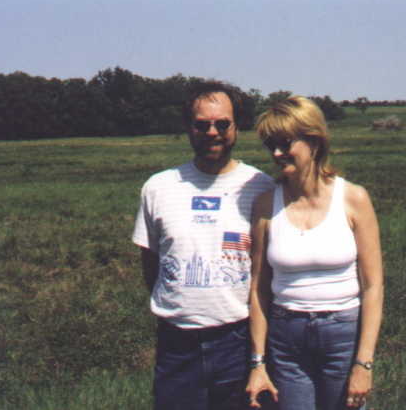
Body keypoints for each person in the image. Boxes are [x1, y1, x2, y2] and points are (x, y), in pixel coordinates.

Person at [132, 80, 274, 410]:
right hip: (177, 342)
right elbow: (150, 264)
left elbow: (266, 272)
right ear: (188, 128)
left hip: (238, 339)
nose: (213, 132)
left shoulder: (260, 187)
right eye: (202, 124)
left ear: (237, 126)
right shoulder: (159, 187)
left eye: (222, 123)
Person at [246, 96, 384, 410]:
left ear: (315, 140)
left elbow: (373, 286)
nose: (277, 154)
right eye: (271, 145)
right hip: (286, 339)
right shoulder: (267, 205)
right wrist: (258, 362)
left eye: (285, 143)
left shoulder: (353, 199)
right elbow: (258, 288)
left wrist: (363, 364)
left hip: (342, 334)